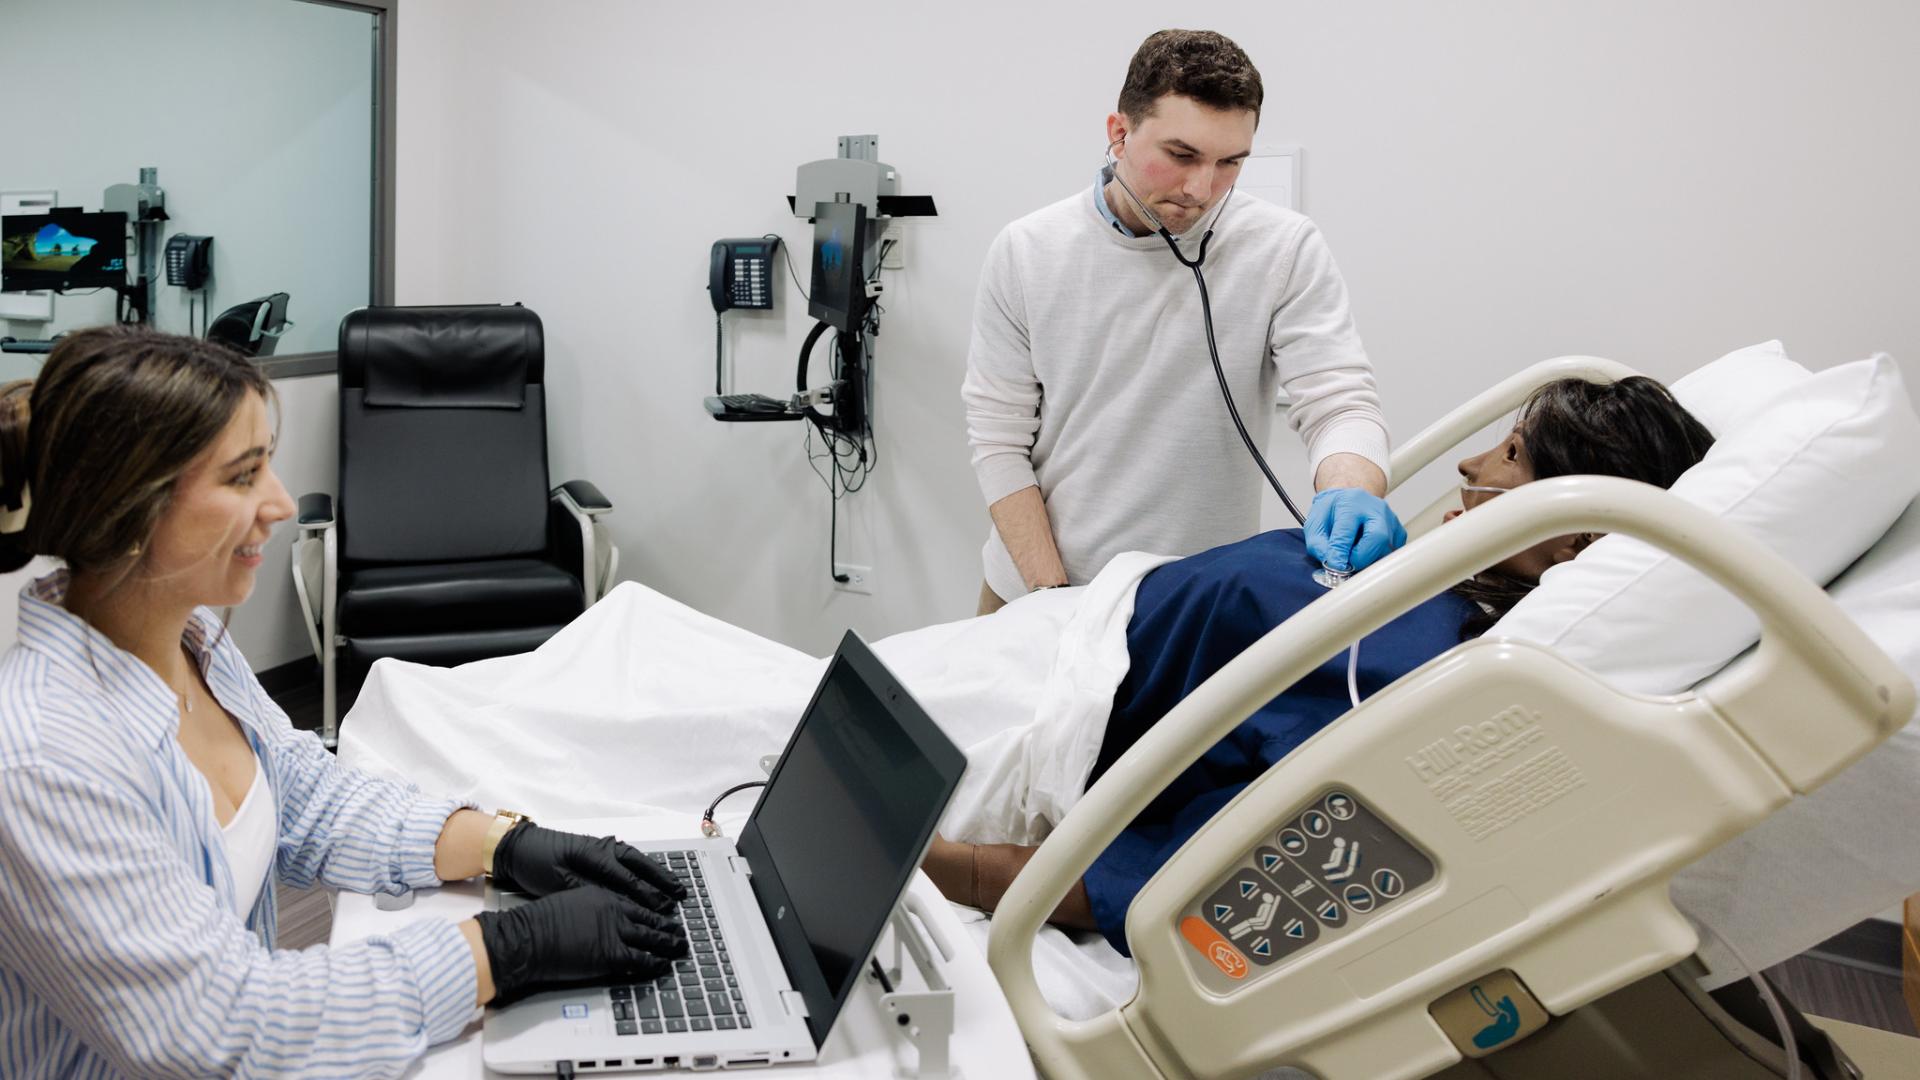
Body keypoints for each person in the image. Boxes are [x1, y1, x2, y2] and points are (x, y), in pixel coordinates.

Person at [0, 327, 688, 1076]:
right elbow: (230, 1030)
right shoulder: (42, 758)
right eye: (242, 477)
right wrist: (508, 950)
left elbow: (309, 800)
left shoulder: (191, 638)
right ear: (126, 506)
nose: (282, 503)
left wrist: (502, 845)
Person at [925, 376, 1716, 951]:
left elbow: (1193, 875)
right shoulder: (1417, 591)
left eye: (1511, 453)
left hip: (1041, 713)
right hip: (1047, 634)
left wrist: (949, 871)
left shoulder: (1406, 666)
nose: (1470, 464)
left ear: (1574, 538)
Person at [964, 29, 1402, 617]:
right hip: (1035, 587)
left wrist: (1351, 485)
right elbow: (998, 442)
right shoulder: (1027, 250)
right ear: (1119, 133)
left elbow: (1339, 402)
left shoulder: (1284, 248)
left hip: (1194, 603)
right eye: (1182, 155)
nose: (1202, 189)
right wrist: (1052, 602)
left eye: (1230, 163)